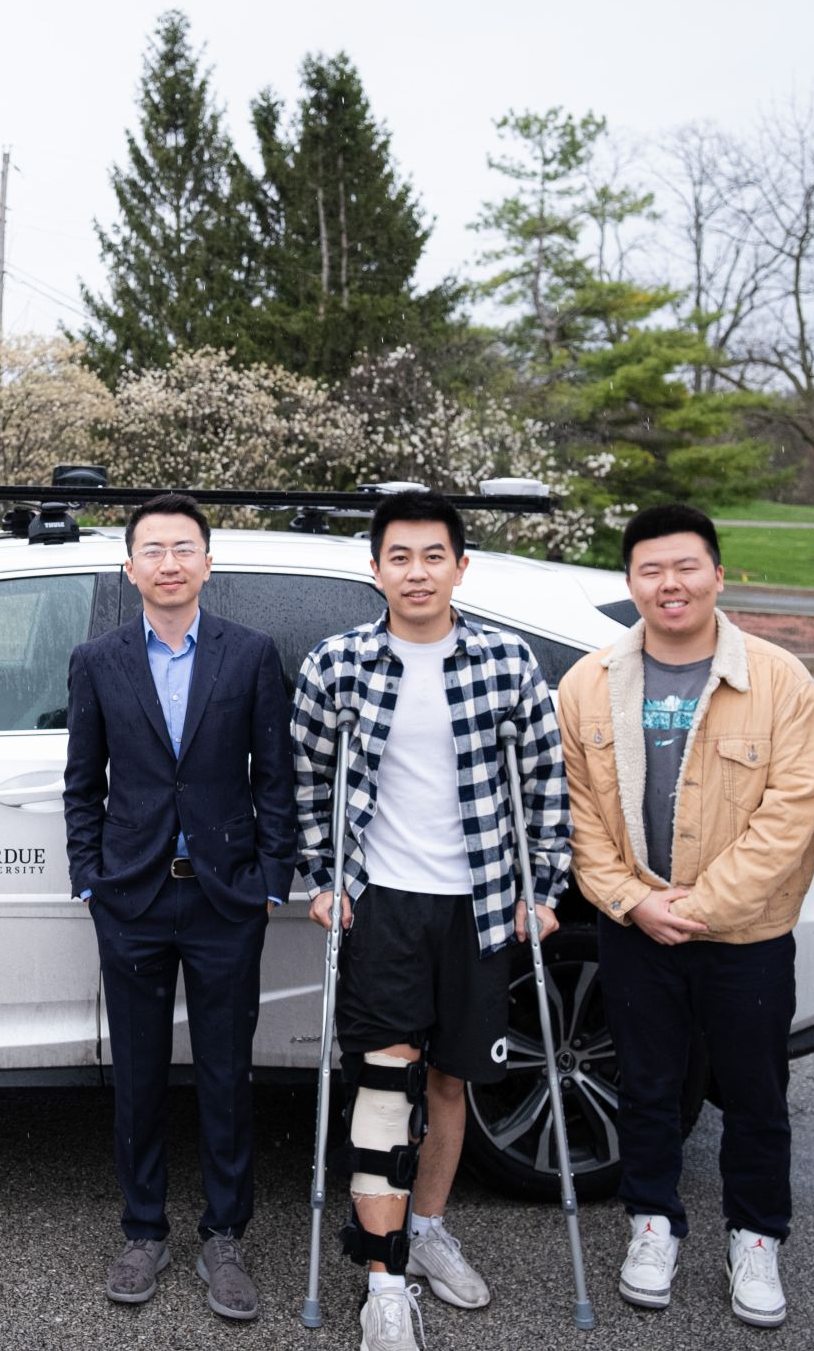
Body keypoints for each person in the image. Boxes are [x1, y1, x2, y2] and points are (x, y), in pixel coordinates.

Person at [288, 489, 570, 1351]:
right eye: (399, 556)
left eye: (433, 555)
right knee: (383, 1081)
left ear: (460, 566)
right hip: (383, 902)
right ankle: (383, 1277)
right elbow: (308, 782)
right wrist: (322, 875)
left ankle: (430, 1227)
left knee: (450, 1081)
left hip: (479, 902)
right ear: (374, 568)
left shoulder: (505, 660)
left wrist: (544, 887)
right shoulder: (336, 664)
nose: (417, 571)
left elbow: (544, 781)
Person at [555, 503, 814, 1329]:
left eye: (685, 567)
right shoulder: (588, 683)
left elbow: (792, 811)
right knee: (647, 1086)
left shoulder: (780, 679)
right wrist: (635, 900)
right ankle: (651, 1224)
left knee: (754, 1094)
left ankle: (755, 1238)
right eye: (650, 570)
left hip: (744, 935)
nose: (669, 584)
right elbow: (579, 817)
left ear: (715, 572)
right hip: (637, 928)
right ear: (630, 580)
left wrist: (699, 907)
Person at [62, 492, 299, 1321]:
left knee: (228, 1073)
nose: (169, 561)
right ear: (130, 568)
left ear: (207, 561)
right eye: (153, 549)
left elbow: (275, 775)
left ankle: (225, 1235)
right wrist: (89, 877)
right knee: (136, 1072)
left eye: (184, 547)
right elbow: (81, 782)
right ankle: (143, 1228)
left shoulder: (251, 655)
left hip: (225, 896)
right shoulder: (98, 659)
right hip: (130, 896)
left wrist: (273, 879)